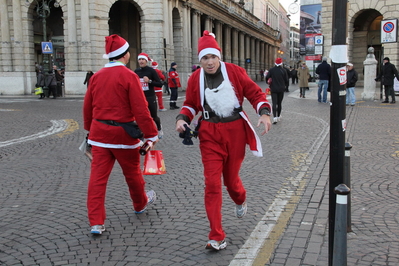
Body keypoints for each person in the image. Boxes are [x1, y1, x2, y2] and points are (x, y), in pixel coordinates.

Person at [175, 30, 272, 251]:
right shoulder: (195, 78)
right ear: (200, 60)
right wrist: (182, 118)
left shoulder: (235, 72)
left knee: (231, 181)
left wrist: (264, 112)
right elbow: (190, 104)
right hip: (209, 133)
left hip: (235, 130)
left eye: (213, 57)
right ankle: (216, 235)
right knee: (211, 183)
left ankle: (240, 199)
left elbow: (255, 93)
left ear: (219, 56)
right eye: (205, 58)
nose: (209, 62)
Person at [83, 34, 158, 235]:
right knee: (132, 174)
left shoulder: (96, 76)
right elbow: (141, 110)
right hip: (124, 135)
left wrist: (90, 131)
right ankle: (140, 204)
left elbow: (87, 108)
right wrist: (151, 134)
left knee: (97, 180)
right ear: (125, 55)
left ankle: (96, 222)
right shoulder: (129, 76)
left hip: (99, 135)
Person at [134, 53, 164, 138]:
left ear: (146, 61)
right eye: (139, 59)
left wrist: (149, 81)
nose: (141, 61)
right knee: (141, 116)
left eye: (143, 59)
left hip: (150, 96)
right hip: (140, 97)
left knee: (154, 116)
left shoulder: (151, 71)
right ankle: (143, 132)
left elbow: (160, 83)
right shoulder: (137, 71)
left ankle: (159, 128)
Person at [265, 58, 289, 124]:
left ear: (275, 62)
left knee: (274, 103)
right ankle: (278, 116)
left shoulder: (272, 70)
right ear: (281, 63)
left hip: (274, 88)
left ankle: (274, 117)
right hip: (281, 89)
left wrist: (269, 82)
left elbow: (267, 77)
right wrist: (285, 86)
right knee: (279, 103)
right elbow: (286, 80)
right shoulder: (283, 70)